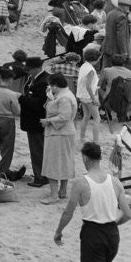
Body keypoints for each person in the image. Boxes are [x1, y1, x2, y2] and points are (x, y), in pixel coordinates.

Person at [40, 74, 78, 205]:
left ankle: (54, 194)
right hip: (63, 133)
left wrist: (48, 121)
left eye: (51, 86)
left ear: (55, 86)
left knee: (54, 162)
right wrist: (49, 97)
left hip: (59, 133)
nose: (50, 88)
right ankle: (62, 191)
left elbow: (64, 116)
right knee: (64, 161)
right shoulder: (63, 95)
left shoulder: (64, 97)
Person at [76, 45, 102, 145]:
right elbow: (89, 86)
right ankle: (96, 141)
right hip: (88, 96)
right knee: (97, 118)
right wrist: (94, 99)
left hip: (82, 95)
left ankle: (82, 138)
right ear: (95, 59)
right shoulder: (91, 70)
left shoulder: (83, 66)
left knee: (86, 116)